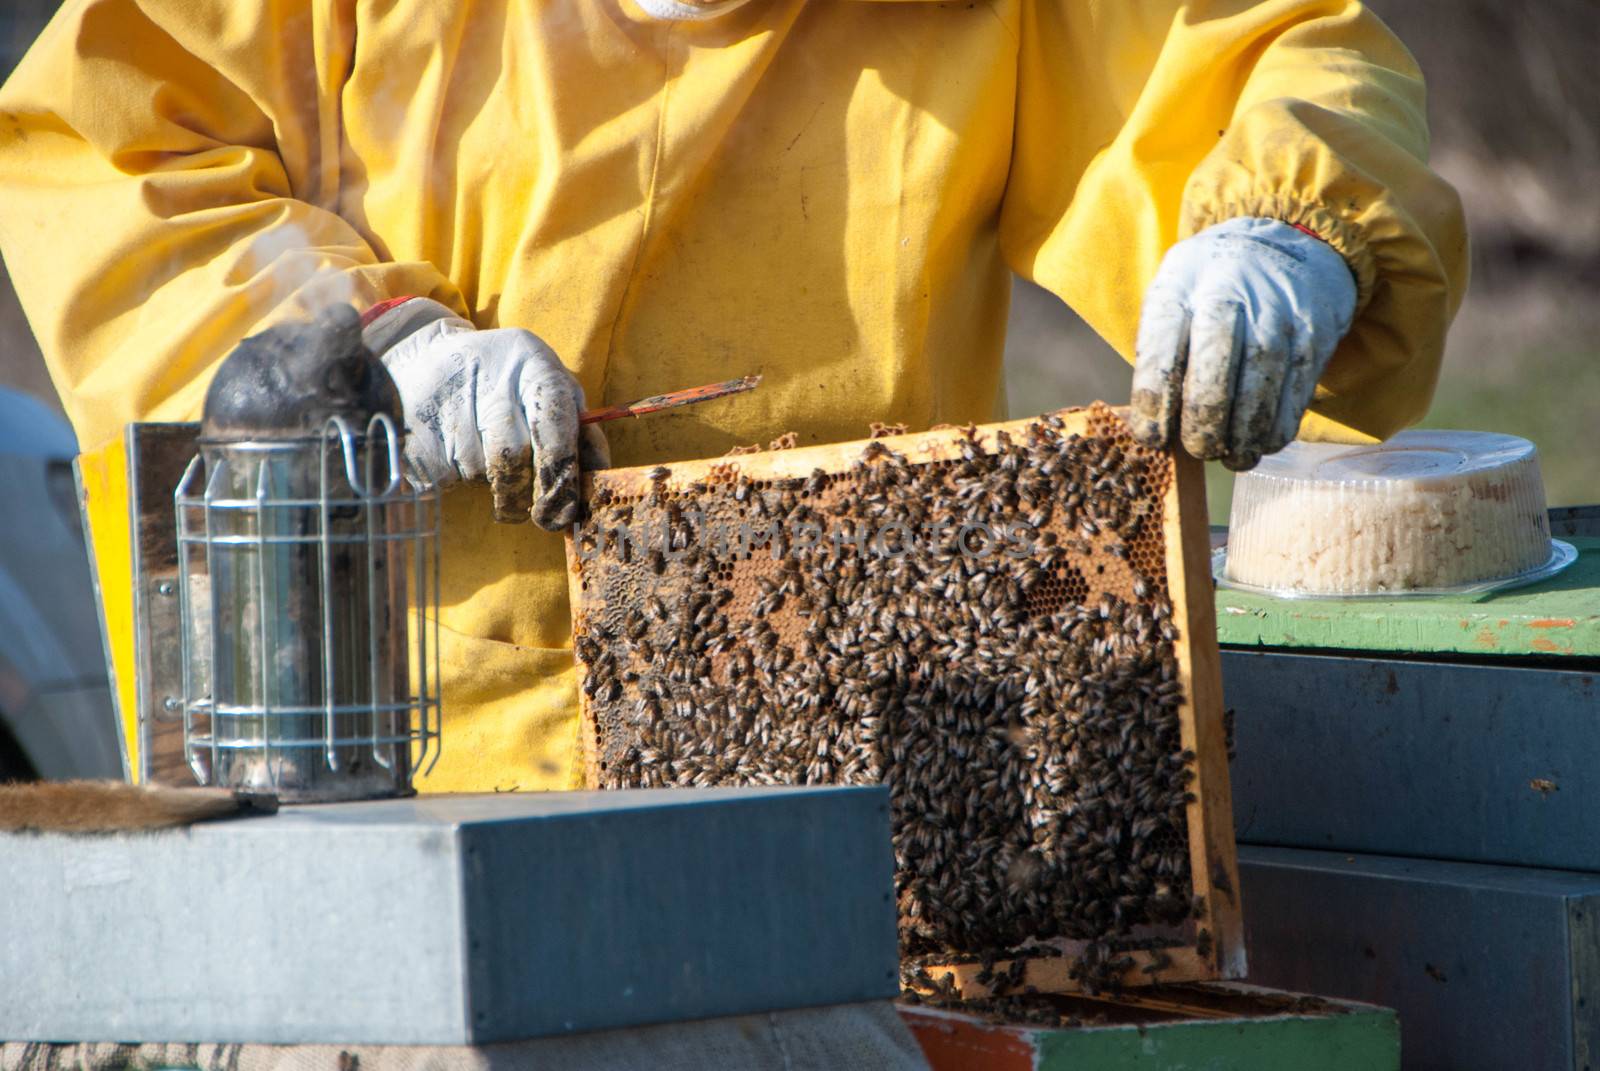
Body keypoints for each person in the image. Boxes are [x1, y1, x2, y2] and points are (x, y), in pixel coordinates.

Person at [0, 0, 1466, 794]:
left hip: (854, 777)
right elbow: (108, 157)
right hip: (406, 767)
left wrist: (1283, 226)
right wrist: (376, 344)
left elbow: (1268, 52)